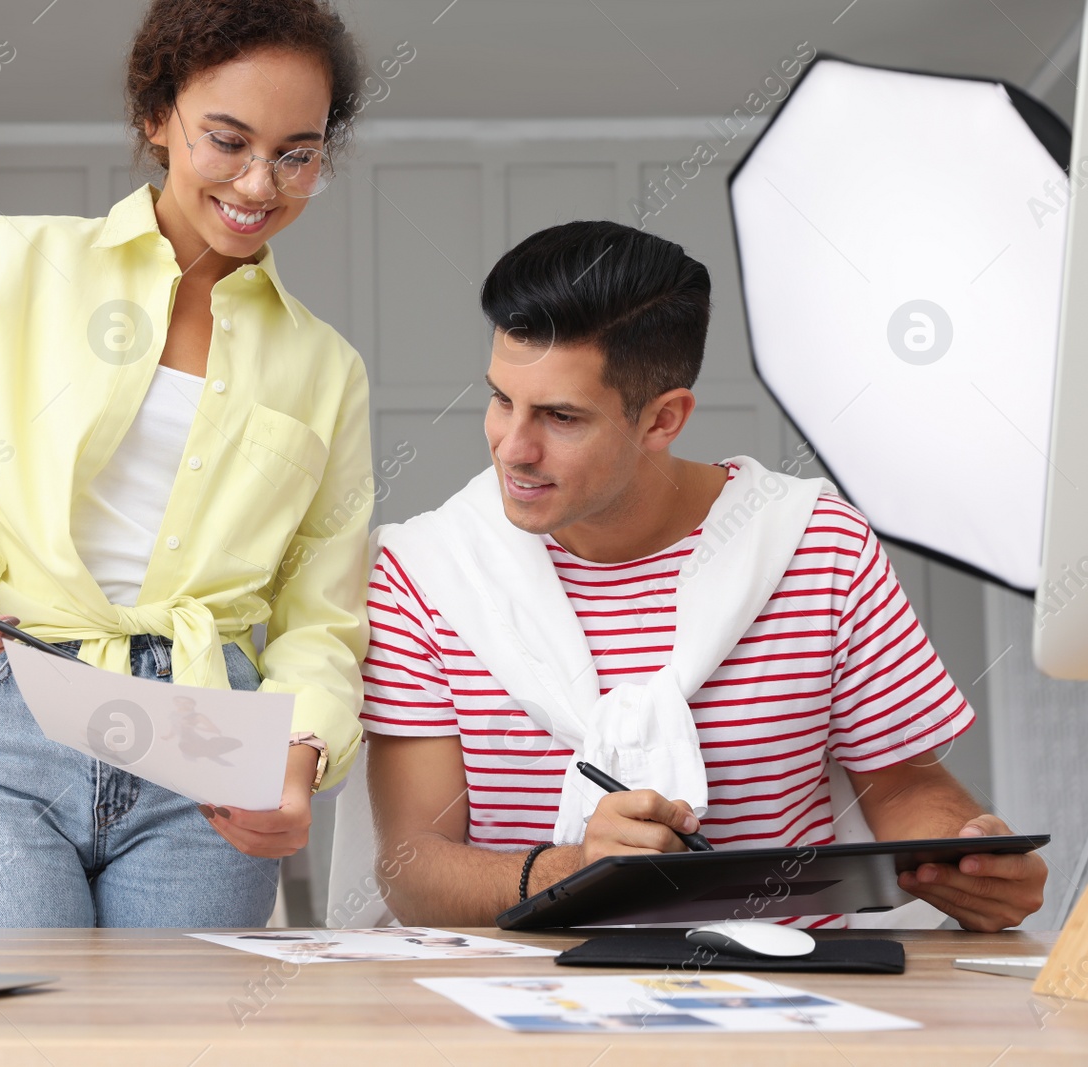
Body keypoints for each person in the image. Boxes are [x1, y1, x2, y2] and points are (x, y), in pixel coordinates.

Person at [361, 220, 1048, 932]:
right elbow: (411, 870)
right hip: (520, 1011)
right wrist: (573, 871)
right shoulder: (428, 573)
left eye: (560, 416)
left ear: (663, 419)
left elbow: (902, 783)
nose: (513, 446)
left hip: (790, 1006)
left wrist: (973, 861)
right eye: (503, 398)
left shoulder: (818, 546)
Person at [0, 0, 374, 929]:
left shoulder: (327, 370)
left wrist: (295, 756)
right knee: (3, 1029)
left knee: (178, 1042)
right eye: (227, 139)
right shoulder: (14, 262)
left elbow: (320, 618)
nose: (261, 183)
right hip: (6, 710)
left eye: (298, 152)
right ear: (155, 117)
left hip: (210, 742)